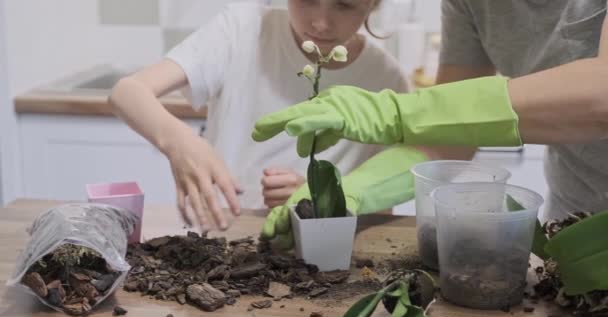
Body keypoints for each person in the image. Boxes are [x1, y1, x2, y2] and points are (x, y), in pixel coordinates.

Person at [253, 0, 608, 238]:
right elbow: (448, 137)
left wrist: (396, 112)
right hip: (575, 224)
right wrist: (354, 190)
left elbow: (600, 96)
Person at [109, 0, 461, 233]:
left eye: (345, 4)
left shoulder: (388, 82)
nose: (321, 22)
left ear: (373, 4)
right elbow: (127, 92)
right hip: (218, 238)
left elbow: (379, 212)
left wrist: (318, 200)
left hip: (306, 260)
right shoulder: (244, 29)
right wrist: (180, 142)